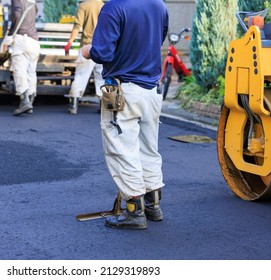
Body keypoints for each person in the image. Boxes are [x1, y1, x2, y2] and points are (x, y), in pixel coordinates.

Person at [81, 0, 168, 230]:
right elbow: (158, 39)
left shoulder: (113, 8)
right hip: (151, 90)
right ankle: (153, 206)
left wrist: (88, 50)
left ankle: (134, 212)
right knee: (148, 149)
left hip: (122, 91)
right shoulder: (159, 5)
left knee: (122, 149)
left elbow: (102, 52)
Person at [64, 0, 105, 115]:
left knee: (81, 75)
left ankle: (74, 105)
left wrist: (69, 43)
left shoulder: (83, 6)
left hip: (87, 48)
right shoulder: (104, 6)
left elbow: (77, 26)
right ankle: (103, 106)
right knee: (101, 77)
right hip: (102, 48)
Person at [5, 0, 40, 116]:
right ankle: (30, 103)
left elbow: (16, 14)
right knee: (31, 72)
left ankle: (24, 102)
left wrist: (10, 34)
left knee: (19, 70)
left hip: (21, 39)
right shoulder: (32, 1)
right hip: (34, 40)